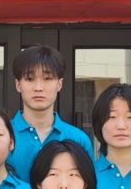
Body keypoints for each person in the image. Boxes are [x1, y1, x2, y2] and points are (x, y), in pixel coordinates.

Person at [6, 44, 90, 180]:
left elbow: (88, 188)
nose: (38, 87)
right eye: (29, 79)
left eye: (47, 78)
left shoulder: (78, 139)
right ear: (18, 85)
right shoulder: (1, 136)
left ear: (59, 84)